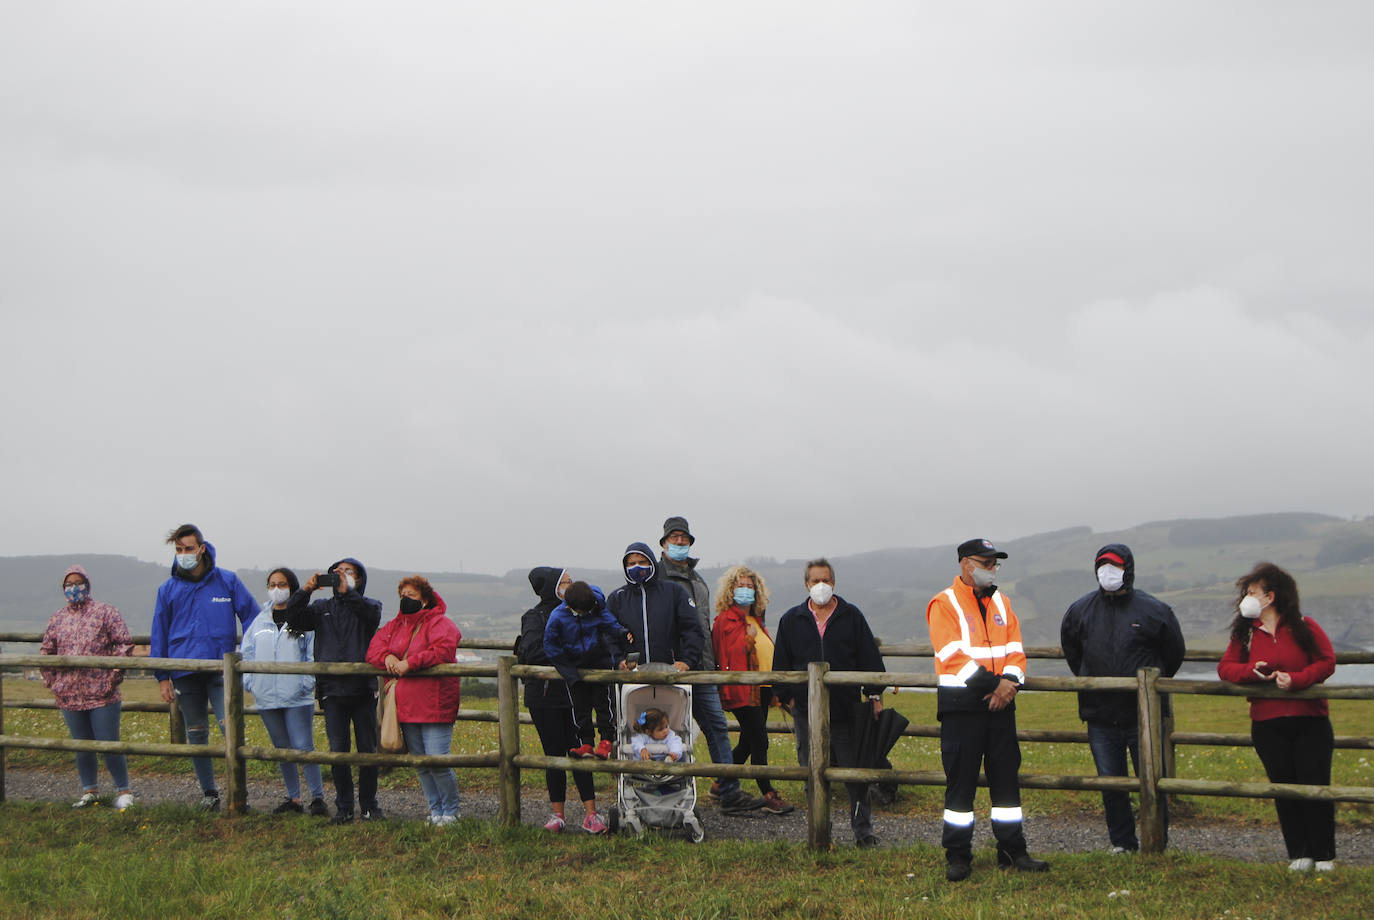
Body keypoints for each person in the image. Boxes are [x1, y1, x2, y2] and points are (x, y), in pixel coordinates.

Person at [927, 539, 1048, 881]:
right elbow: (951, 655)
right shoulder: (943, 603)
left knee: (1006, 784)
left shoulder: (1003, 603)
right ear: (966, 564)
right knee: (960, 787)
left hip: (1001, 709)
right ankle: (958, 856)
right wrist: (993, 685)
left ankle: (1013, 851)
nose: (993, 569)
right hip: (961, 711)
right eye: (987, 562)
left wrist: (1008, 685)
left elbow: (1016, 652)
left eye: (995, 563)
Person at [1060, 544, 1185, 852]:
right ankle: (1122, 843)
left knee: (1152, 781)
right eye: (1102, 565)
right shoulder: (1080, 611)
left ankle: (1156, 841)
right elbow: (1073, 653)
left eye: (1114, 566)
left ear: (1127, 569)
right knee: (1111, 783)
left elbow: (1173, 654)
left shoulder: (1155, 610)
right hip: (1100, 714)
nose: (1108, 572)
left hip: (1144, 715)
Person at [1217, 562, 1337, 872]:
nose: (1247, 597)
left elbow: (1326, 662)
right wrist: (1250, 672)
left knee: (1315, 786)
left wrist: (1297, 680)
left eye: (1252, 592)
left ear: (1270, 596)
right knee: (1283, 787)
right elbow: (1226, 668)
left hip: (1310, 721)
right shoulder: (1243, 633)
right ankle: (1299, 853)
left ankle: (1323, 855)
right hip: (1267, 725)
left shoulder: (1304, 626)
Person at [773, 558, 886, 847]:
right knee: (812, 775)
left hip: (846, 711)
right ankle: (820, 832)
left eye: (826, 580)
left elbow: (869, 658)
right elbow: (781, 665)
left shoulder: (851, 616)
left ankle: (864, 833)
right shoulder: (791, 620)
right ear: (806, 584)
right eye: (815, 581)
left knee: (854, 774)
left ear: (833, 582)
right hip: (806, 713)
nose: (820, 586)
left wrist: (874, 694)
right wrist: (788, 699)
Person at [657, 517, 765, 813]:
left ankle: (728, 793)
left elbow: (702, 626)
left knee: (717, 727)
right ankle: (665, 791)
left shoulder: (696, 578)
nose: (679, 543)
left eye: (684, 539)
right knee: (671, 731)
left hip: (703, 668)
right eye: (674, 538)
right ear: (664, 543)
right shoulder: (659, 579)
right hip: (675, 670)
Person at [150, 524, 258, 811]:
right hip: (184, 671)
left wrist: (248, 652)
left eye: (188, 548)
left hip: (221, 671)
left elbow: (251, 616)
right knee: (196, 733)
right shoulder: (168, 589)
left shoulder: (227, 581)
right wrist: (162, 676)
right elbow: (159, 632)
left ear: (201, 548)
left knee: (231, 728)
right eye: (178, 550)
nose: (183, 554)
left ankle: (238, 793)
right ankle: (209, 794)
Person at [286, 557, 384, 823]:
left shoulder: (370, 605)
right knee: (338, 750)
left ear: (359, 579)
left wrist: (347, 593)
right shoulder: (320, 608)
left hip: (363, 689)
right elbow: (291, 618)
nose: (341, 575)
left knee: (367, 750)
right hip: (332, 690)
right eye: (336, 573)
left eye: (347, 572)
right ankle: (343, 807)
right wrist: (305, 590)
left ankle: (369, 805)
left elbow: (370, 616)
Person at [366, 576, 462, 826]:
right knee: (420, 762)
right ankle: (435, 810)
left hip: (435, 703)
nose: (405, 599)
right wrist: (386, 656)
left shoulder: (440, 623)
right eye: (402, 595)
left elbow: (444, 649)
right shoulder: (394, 626)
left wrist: (411, 662)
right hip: (406, 706)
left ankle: (451, 811)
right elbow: (373, 650)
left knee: (437, 760)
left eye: (411, 594)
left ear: (425, 598)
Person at [516, 566, 605, 834]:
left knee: (581, 752)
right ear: (551, 586)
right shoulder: (534, 617)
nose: (571, 585)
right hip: (544, 698)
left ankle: (591, 814)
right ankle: (558, 814)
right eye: (565, 581)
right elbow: (532, 651)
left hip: (577, 695)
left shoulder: (583, 611)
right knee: (553, 755)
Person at [40, 564, 135, 810]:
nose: (73, 588)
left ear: (87, 585)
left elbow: (123, 644)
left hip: (103, 695)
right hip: (69, 696)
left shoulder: (106, 612)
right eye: (68, 584)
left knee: (108, 744)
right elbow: (46, 652)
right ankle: (89, 790)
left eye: (77, 582)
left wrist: (112, 677)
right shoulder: (57, 618)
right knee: (81, 745)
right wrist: (54, 682)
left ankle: (124, 791)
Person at [240, 567, 328, 816]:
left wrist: (306, 682)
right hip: (266, 695)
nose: (276, 589)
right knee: (282, 748)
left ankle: (317, 797)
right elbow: (247, 652)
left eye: (281, 584)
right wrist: (251, 682)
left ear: (292, 586)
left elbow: (312, 653)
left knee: (303, 747)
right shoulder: (260, 620)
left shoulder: (303, 618)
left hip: (296, 695)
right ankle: (294, 798)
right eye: (272, 584)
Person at [712, 565, 793, 815]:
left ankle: (720, 784)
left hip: (763, 688)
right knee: (760, 741)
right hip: (743, 689)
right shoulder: (725, 620)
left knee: (748, 742)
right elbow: (726, 654)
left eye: (749, 586)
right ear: (731, 590)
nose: (745, 590)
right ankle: (768, 793)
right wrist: (747, 640)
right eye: (740, 586)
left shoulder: (755, 619)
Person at [543, 581, 628, 761]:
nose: (584, 615)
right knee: (580, 706)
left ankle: (606, 740)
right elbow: (551, 647)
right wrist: (569, 672)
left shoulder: (596, 605)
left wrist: (621, 632)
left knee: (603, 703)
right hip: (574, 665)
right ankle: (586, 743)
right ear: (569, 606)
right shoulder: (557, 617)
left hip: (599, 661)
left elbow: (608, 622)